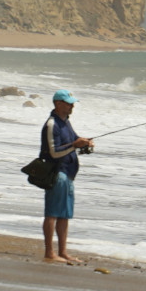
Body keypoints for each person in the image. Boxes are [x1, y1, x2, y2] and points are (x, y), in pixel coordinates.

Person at [39, 90, 94, 264]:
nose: (72, 106)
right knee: (52, 214)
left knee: (64, 215)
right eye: (69, 103)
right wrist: (74, 145)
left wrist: (84, 142)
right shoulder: (51, 124)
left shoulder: (65, 122)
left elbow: (73, 139)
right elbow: (53, 153)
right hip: (56, 173)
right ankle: (50, 252)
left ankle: (62, 252)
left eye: (72, 103)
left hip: (69, 174)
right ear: (58, 104)